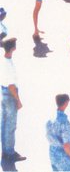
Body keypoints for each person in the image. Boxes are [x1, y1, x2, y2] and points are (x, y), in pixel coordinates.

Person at [1, 37, 22, 165]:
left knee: (4, 124)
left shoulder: (3, 60)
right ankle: (10, 152)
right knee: (10, 126)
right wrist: (18, 100)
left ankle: (4, 150)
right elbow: (11, 86)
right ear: (13, 48)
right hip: (9, 95)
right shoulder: (8, 64)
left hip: (3, 93)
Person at [46, 94, 70, 171]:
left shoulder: (50, 120)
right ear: (66, 103)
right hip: (63, 157)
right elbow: (66, 145)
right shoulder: (64, 122)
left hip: (53, 155)